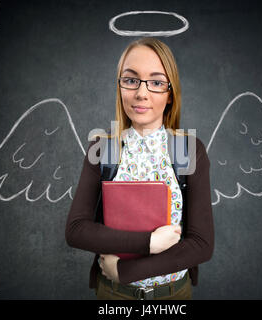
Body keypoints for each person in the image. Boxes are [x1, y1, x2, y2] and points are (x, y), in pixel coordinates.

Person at [65, 37, 214, 300]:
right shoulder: (102, 149)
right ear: (120, 86)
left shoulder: (189, 150)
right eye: (131, 80)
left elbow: (201, 245)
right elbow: (77, 230)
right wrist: (149, 243)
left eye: (156, 83)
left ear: (170, 93)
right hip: (113, 296)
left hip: (172, 296)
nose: (141, 93)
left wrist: (126, 271)